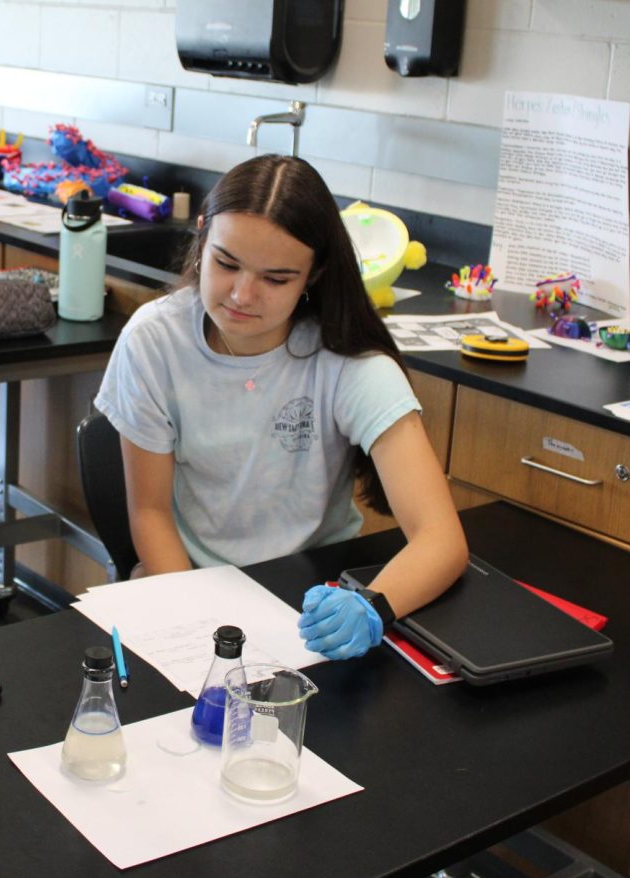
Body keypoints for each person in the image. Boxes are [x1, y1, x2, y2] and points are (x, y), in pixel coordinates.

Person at [95, 155, 468, 661]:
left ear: (312, 274)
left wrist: (373, 607)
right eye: (226, 264)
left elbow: (441, 538)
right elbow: (151, 512)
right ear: (202, 238)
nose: (242, 295)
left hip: (312, 597)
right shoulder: (154, 341)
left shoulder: (347, 362)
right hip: (193, 585)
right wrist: (195, 624)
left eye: (276, 279)